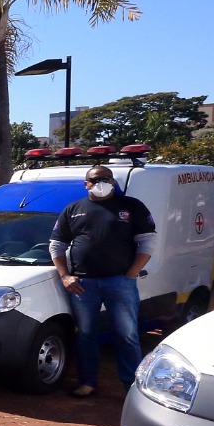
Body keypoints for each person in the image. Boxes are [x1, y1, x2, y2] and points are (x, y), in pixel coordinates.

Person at [51, 165, 157, 398]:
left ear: (113, 182)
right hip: (83, 284)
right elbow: (56, 244)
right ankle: (87, 382)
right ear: (86, 184)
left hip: (120, 282)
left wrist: (132, 272)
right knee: (86, 334)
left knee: (127, 334)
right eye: (96, 179)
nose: (101, 183)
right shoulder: (73, 209)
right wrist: (65, 275)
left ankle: (131, 386)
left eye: (106, 179)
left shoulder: (131, 206)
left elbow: (148, 240)